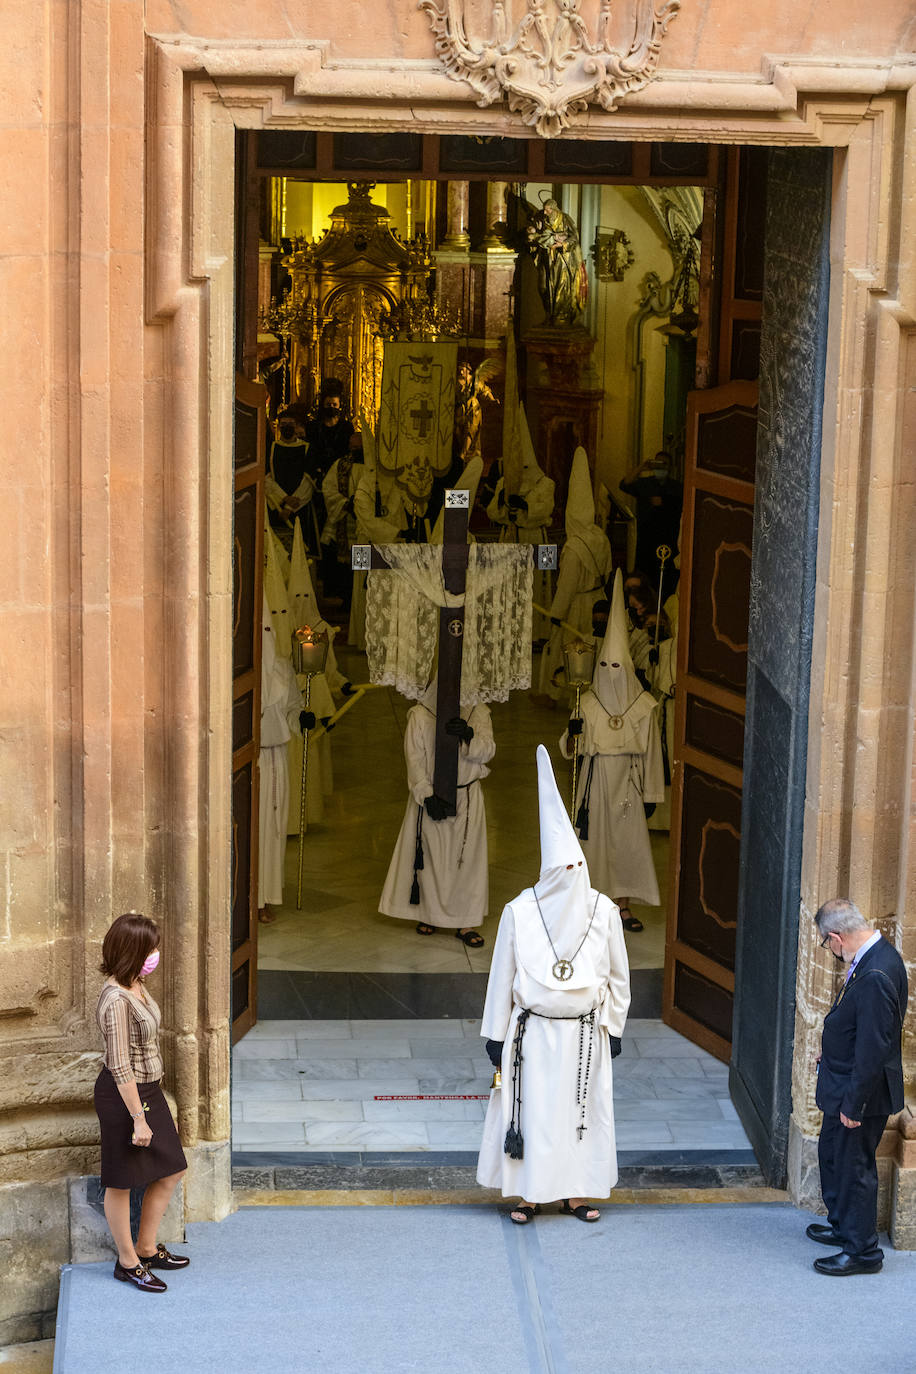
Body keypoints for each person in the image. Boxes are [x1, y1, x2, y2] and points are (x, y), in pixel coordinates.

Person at [476, 745, 630, 1223]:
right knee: (535, 1115)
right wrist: (495, 1036)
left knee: (579, 1118)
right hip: (533, 1036)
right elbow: (502, 974)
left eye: (576, 870)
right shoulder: (519, 913)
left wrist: (615, 1026)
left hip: (586, 1035)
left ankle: (577, 1193)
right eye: (561, 871)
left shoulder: (604, 912)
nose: (570, 878)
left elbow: (619, 975)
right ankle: (529, 1194)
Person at [559, 570, 665, 933]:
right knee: (594, 844)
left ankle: (623, 905)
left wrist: (652, 793)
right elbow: (569, 749)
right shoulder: (586, 703)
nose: (610, 672)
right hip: (594, 782)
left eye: (617, 666)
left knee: (626, 845)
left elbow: (651, 753)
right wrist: (573, 735)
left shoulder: (643, 706)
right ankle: (589, 902)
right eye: (605, 666)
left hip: (628, 787)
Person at [810, 898, 907, 1276]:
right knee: (832, 1153)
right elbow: (859, 1028)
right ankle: (843, 1227)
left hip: (859, 1092)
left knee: (855, 1166)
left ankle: (863, 1251)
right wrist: (831, 1052)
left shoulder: (877, 973)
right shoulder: (874, 958)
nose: (830, 951)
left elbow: (873, 1048)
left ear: (836, 938)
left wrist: (854, 1104)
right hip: (844, 1079)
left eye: (826, 944)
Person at [93, 913, 189, 1293]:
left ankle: (147, 1248)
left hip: (148, 1092)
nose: (156, 953)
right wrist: (138, 1118)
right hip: (124, 1098)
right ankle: (127, 1261)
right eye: (150, 947)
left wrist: (151, 1105)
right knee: (121, 1182)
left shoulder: (136, 984)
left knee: (172, 1168)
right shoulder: (115, 998)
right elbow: (118, 1064)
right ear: (132, 951)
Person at [379, 678, 494, 948]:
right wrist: (426, 794)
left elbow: (487, 751)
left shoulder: (479, 712)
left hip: (466, 796)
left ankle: (465, 920)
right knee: (430, 857)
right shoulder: (420, 715)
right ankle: (429, 913)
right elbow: (414, 758)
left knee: (464, 859)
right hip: (432, 796)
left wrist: (468, 736)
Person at [535, 447, 612, 704]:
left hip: (577, 605)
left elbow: (567, 585)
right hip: (598, 600)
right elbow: (609, 571)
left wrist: (556, 614)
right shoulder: (601, 537)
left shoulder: (574, 548)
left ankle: (560, 695)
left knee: (568, 649)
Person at [486, 403, 555, 642]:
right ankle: (510, 631)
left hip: (537, 537)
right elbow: (492, 513)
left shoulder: (546, 483)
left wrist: (526, 506)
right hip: (510, 536)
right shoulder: (506, 480)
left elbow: (546, 508)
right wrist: (504, 503)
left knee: (537, 584)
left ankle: (537, 633)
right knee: (510, 584)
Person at [257, 594, 306, 923]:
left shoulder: (283, 668)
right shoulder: (241, 668)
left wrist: (302, 720)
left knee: (273, 830)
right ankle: (248, 897)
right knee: (252, 829)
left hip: (277, 760)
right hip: (252, 760)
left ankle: (267, 897)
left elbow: (292, 710)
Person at [619, 451, 683, 590]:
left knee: (665, 582)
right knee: (645, 581)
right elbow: (624, 484)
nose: (660, 467)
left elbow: (681, 506)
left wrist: (664, 502)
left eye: (664, 464)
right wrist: (642, 467)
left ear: (670, 467)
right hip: (646, 540)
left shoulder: (676, 487)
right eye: (657, 463)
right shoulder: (645, 483)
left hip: (667, 540)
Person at [320, 431, 364, 609]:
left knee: (362, 561)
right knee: (346, 565)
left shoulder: (376, 467)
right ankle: (347, 599)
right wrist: (346, 504)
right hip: (345, 518)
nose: (355, 450)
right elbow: (328, 489)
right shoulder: (340, 465)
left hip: (366, 523)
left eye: (359, 447)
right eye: (353, 447)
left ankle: (361, 597)